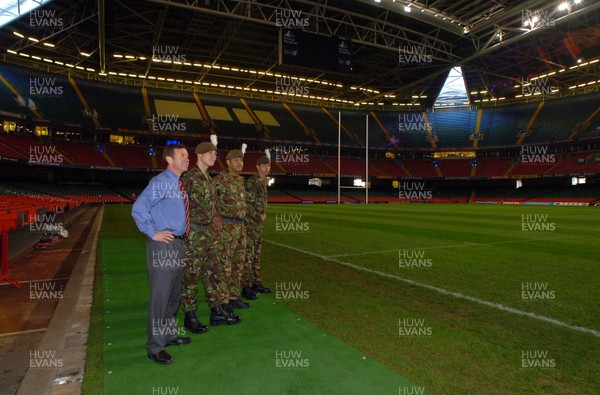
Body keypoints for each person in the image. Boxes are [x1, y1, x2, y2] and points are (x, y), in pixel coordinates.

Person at [131, 144, 192, 365]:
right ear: (169, 159)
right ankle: (155, 347)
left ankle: (169, 334)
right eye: (182, 155)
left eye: (188, 155)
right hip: (164, 245)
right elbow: (138, 209)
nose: (187, 158)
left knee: (174, 295)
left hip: (177, 244)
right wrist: (152, 233)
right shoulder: (160, 183)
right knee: (161, 296)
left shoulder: (177, 184)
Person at [180, 140, 240, 328]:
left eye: (215, 154)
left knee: (215, 272)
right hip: (194, 235)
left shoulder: (207, 178)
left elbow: (211, 204)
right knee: (190, 276)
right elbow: (179, 205)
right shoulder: (189, 178)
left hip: (209, 234)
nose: (214, 156)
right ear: (199, 155)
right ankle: (190, 316)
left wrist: (215, 217)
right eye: (210, 153)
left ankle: (217, 311)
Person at [213, 147, 250, 311]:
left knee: (239, 263)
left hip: (240, 227)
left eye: (241, 160)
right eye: (236, 160)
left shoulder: (241, 181)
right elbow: (209, 198)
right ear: (228, 162)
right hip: (227, 227)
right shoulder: (220, 180)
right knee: (225, 265)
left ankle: (234, 296)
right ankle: (223, 301)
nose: (239, 162)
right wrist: (216, 216)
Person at [242, 151, 272, 299]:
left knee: (256, 255)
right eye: (264, 165)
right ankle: (246, 286)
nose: (266, 168)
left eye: (268, 165)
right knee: (248, 255)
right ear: (257, 167)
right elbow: (246, 204)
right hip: (250, 225)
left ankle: (256, 282)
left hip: (258, 225)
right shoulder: (253, 182)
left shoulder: (262, 182)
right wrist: (257, 216)